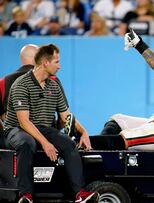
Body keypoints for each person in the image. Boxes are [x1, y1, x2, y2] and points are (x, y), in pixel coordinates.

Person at [3, 44, 99, 203]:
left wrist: (83, 132)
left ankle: (79, 195)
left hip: (42, 128)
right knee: (27, 143)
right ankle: (25, 195)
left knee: (68, 144)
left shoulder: (54, 86)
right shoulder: (21, 84)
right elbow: (24, 122)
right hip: (17, 129)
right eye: (57, 62)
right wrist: (45, 143)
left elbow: (66, 116)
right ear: (45, 63)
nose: (60, 66)